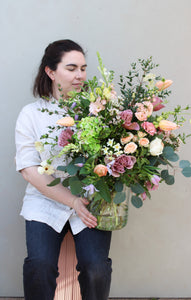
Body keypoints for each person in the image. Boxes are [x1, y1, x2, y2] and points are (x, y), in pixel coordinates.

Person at [15, 39, 112, 300]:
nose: (79, 75)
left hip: (90, 202)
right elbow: (29, 169)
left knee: (96, 268)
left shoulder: (99, 112)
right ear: (50, 71)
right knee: (39, 266)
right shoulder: (31, 114)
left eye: (83, 68)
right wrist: (71, 200)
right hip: (44, 201)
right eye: (71, 68)